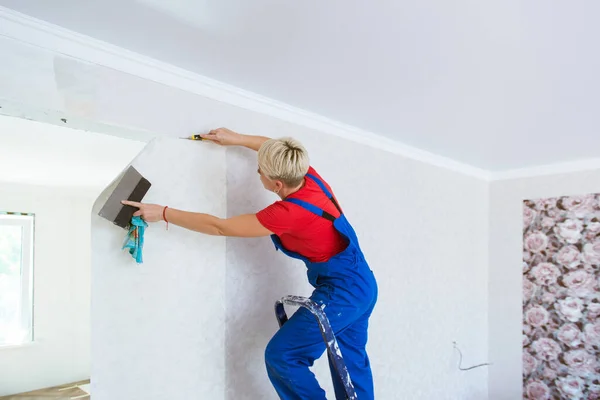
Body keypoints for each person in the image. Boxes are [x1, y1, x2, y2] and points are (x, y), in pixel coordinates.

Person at [122, 127, 378, 400]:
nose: (257, 173)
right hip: (364, 283)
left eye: (260, 171)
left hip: (343, 292)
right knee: (350, 367)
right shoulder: (306, 175)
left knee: (283, 356)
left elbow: (219, 227)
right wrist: (236, 139)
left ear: (277, 184)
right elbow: (271, 145)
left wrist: (163, 213)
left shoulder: (287, 213)